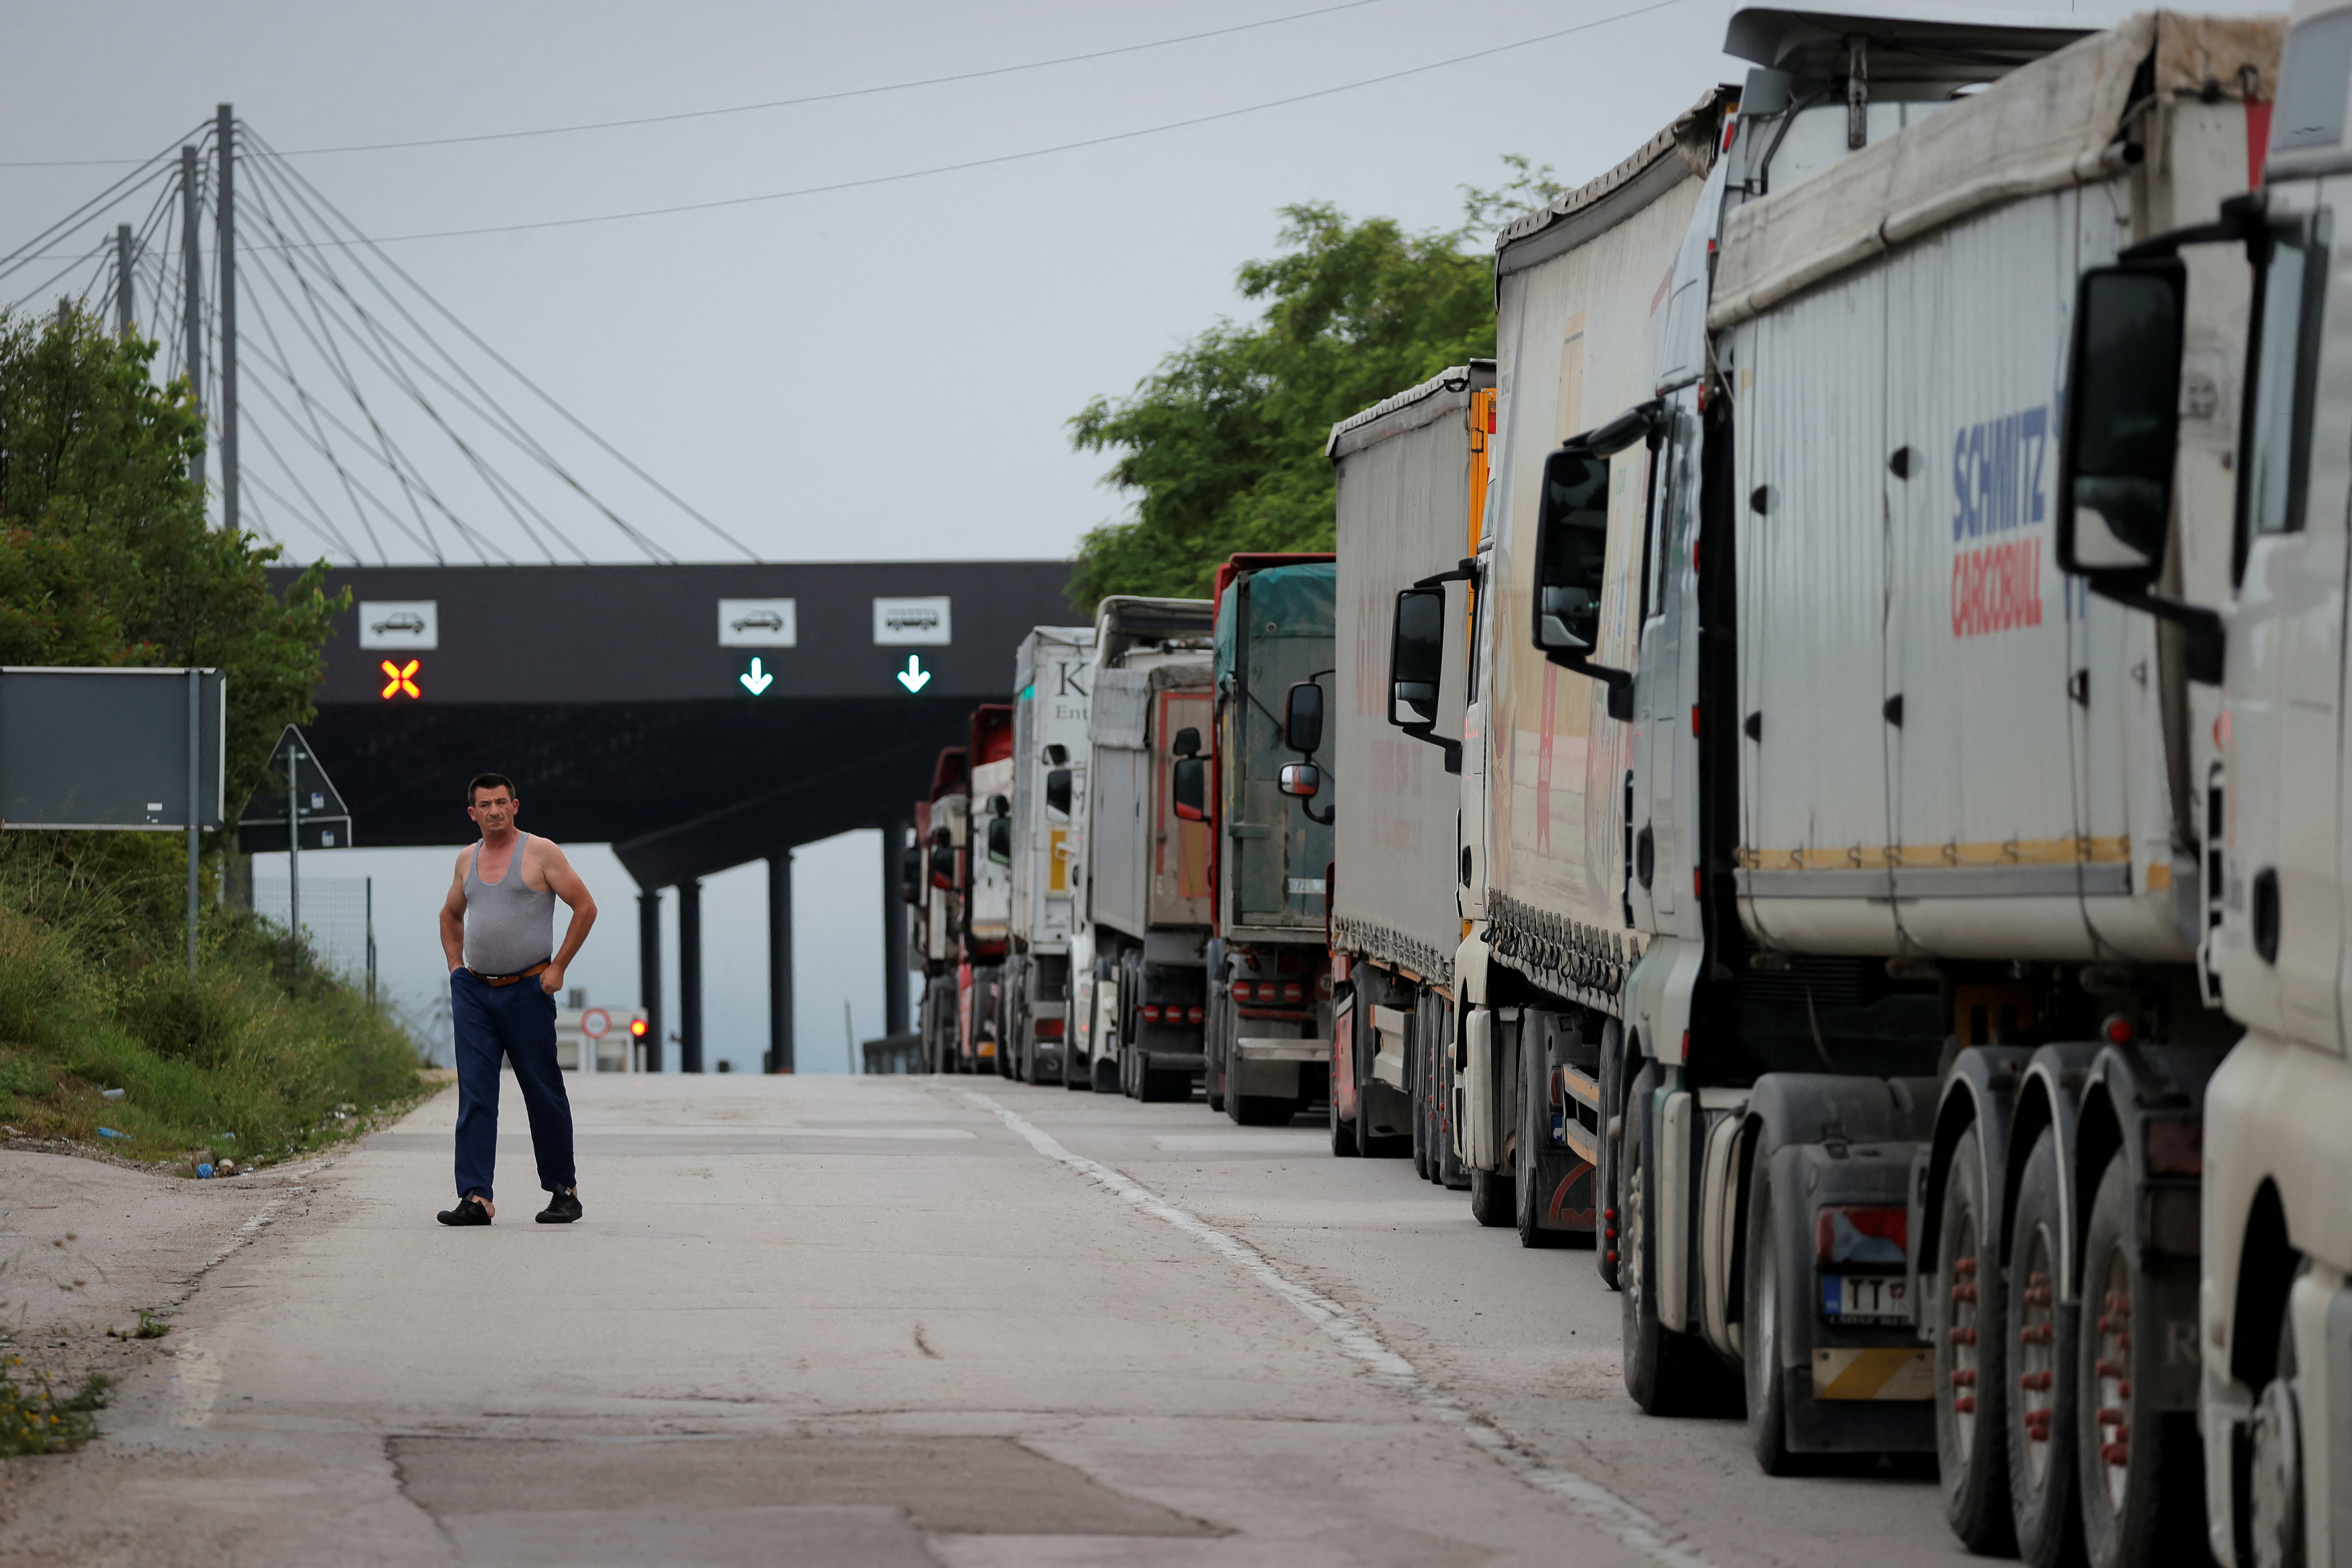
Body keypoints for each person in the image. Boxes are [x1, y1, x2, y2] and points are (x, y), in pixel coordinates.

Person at [436, 773, 597, 1227]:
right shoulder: (466, 859)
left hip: (528, 989)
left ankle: (564, 1191)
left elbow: (585, 906)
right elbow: (450, 914)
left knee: (542, 1090)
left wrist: (558, 967)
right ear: (473, 813)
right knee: (475, 1093)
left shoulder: (541, 852)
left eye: (501, 802)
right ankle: (476, 1197)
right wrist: (455, 968)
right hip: (475, 991)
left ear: (515, 806)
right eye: (485, 805)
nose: (494, 811)